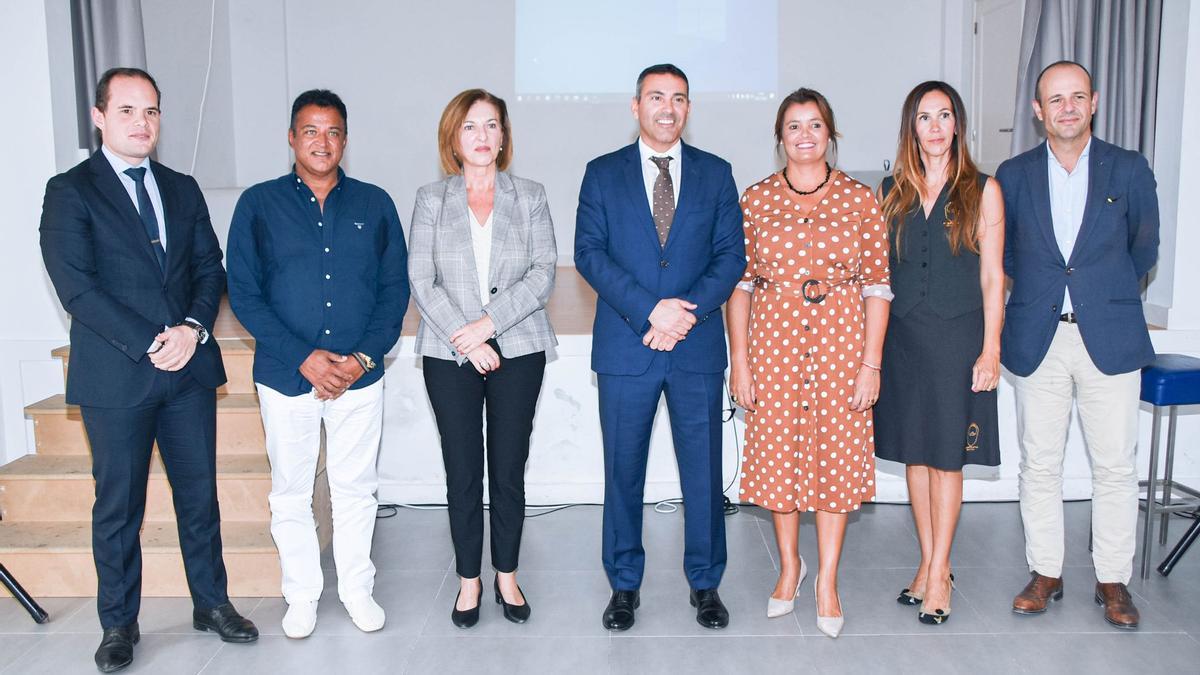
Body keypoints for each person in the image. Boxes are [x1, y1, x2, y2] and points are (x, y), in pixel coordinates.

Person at [39, 67, 257, 673]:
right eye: (129, 111)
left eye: (153, 111)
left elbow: (210, 269)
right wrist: (150, 341)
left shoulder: (182, 188)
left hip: (186, 371)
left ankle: (212, 604)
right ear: (100, 117)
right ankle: (118, 624)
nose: (143, 123)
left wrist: (191, 329)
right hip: (117, 375)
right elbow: (77, 288)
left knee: (199, 497)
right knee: (118, 507)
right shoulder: (70, 191)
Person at [226, 89, 409, 638]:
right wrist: (304, 358)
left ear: (345, 140)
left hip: (360, 378)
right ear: (291, 138)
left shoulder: (375, 204)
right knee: (291, 490)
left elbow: (394, 292)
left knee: (356, 488)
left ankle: (356, 590)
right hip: (286, 377)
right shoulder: (258, 205)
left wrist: (358, 359)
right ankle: (301, 595)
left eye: (332, 132)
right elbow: (244, 294)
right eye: (310, 131)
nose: (321, 142)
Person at [575, 64, 745, 631]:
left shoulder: (717, 174)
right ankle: (624, 586)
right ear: (635, 106)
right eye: (656, 97)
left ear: (689, 109)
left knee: (703, 474)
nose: (667, 108)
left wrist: (684, 313)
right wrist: (653, 310)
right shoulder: (601, 174)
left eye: (678, 98)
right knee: (623, 472)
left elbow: (730, 258)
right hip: (628, 347)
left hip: (695, 350)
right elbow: (590, 254)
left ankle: (706, 584)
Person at [997, 60, 1159, 630]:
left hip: (1108, 337)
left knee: (1114, 465)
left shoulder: (1129, 169)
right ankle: (1046, 572)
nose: (1066, 107)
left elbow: (1144, 249)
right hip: (1039, 335)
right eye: (1054, 99)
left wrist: (1098, 296)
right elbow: (1008, 254)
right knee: (1039, 463)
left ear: (1093, 103)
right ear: (1037, 111)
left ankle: (1112, 580)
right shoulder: (1012, 174)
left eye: (1076, 97)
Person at [727, 88, 890, 639]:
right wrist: (741, 362)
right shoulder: (754, 199)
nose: (804, 135)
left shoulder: (860, 198)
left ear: (830, 135)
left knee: (836, 460)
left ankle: (827, 581)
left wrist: (871, 363)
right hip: (772, 343)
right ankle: (790, 568)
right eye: (793, 126)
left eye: (815, 125)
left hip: (842, 344)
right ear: (780, 138)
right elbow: (740, 286)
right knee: (779, 456)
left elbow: (878, 286)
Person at [409, 89, 557, 628]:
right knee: (463, 469)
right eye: (470, 126)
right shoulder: (431, 198)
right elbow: (421, 279)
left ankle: (507, 575)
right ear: (454, 136)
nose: (482, 136)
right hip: (448, 354)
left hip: (519, 346)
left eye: (492, 125)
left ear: (504, 135)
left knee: (509, 467)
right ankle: (469, 579)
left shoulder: (531, 195)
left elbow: (543, 273)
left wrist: (488, 328)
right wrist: (465, 338)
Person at [873, 81, 1005, 625]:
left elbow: (994, 277)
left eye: (943, 115)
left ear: (957, 125)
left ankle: (940, 571)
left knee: (948, 461)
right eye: (923, 117)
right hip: (904, 340)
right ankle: (929, 564)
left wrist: (990, 349)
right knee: (916, 457)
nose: (934, 126)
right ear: (912, 127)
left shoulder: (983, 189)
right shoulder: (891, 189)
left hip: (957, 340)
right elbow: (878, 275)